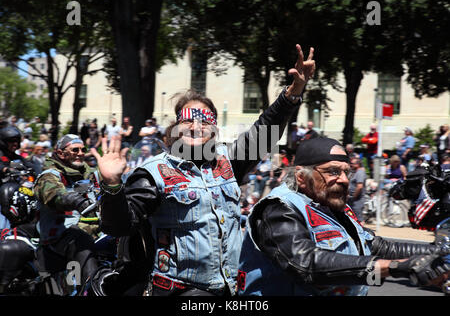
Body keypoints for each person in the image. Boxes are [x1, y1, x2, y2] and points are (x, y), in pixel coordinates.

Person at [91, 44, 316, 296]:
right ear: (175, 127)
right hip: (180, 292)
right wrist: (111, 184)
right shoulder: (153, 173)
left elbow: (264, 132)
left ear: (214, 130)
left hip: (232, 290)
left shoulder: (228, 163)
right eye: (187, 119)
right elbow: (119, 227)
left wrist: (294, 91)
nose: (196, 126)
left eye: (204, 120)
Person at [238, 137, 450, 296]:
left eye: (346, 172)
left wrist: (439, 252)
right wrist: (395, 268)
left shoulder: (334, 208)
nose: (344, 180)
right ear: (302, 177)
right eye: (332, 171)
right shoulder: (278, 208)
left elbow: (375, 247)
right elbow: (308, 265)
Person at [33, 134, 99, 286]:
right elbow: (52, 193)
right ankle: (89, 290)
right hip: (58, 239)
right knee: (81, 241)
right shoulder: (49, 176)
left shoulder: (91, 173)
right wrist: (75, 200)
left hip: (94, 233)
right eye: (75, 150)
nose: (81, 153)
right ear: (61, 153)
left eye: (83, 150)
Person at [347, 157, 366, 223]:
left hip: (357, 200)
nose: (350, 165)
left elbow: (359, 186)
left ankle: (360, 232)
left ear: (357, 164)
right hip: (352, 199)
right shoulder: (354, 172)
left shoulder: (360, 173)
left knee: (358, 219)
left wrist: (353, 196)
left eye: (352, 164)